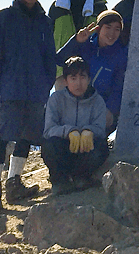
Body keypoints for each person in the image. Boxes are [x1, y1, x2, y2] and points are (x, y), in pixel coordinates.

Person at [0, 0, 56, 212]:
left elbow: (49, 57)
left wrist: (46, 86)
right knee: (2, 136)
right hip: (9, 89)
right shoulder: (3, 17)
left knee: (26, 136)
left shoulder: (45, 22)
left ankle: (14, 184)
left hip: (35, 92)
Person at [42, 57, 109, 195]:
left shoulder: (97, 101)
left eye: (83, 77)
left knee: (102, 146)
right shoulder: (56, 99)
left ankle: (81, 178)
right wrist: (69, 132)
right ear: (65, 81)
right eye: (73, 78)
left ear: (89, 79)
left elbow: (101, 129)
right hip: (64, 148)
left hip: (85, 149)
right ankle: (60, 181)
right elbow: (48, 130)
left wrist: (88, 131)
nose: (79, 83)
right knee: (49, 145)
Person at [56, 10, 128, 136]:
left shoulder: (121, 55)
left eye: (117, 29)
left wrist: (110, 110)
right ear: (98, 28)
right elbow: (60, 60)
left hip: (101, 107)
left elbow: (119, 87)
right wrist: (76, 40)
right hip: (76, 103)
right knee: (61, 81)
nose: (112, 33)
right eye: (108, 27)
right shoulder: (86, 45)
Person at [49, 0, 108, 90]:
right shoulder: (57, 6)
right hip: (62, 68)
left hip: (91, 67)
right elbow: (48, 35)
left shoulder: (99, 5)